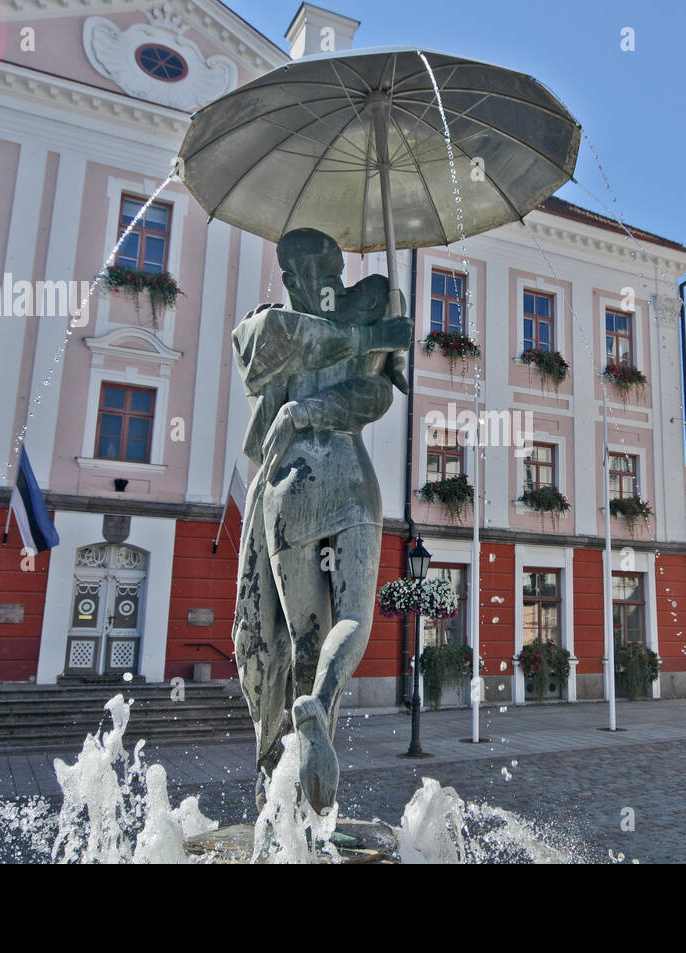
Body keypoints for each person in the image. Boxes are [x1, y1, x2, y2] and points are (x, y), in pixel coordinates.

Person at [231, 227, 411, 814]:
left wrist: (382, 341)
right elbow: (374, 395)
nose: (324, 284)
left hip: (291, 485)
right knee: (354, 616)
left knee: (301, 644)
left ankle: (288, 798)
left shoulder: (276, 325)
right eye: (323, 272)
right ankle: (315, 733)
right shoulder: (292, 322)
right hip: (352, 481)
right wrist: (380, 339)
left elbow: (372, 390)